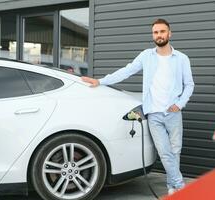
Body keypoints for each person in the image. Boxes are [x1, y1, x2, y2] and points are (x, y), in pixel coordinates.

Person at [81, 18, 194, 194]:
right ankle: (180, 187)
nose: (159, 35)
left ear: (169, 33)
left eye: (162, 31)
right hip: (154, 114)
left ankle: (172, 187)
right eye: (156, 32)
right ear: (153, 35)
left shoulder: (181, 58)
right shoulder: (146, 56)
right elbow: (126, 71)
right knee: (165, 153)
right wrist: (100, 81)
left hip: (173, 113)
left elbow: (189, 85)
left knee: (175, 151)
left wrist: (179, 104)